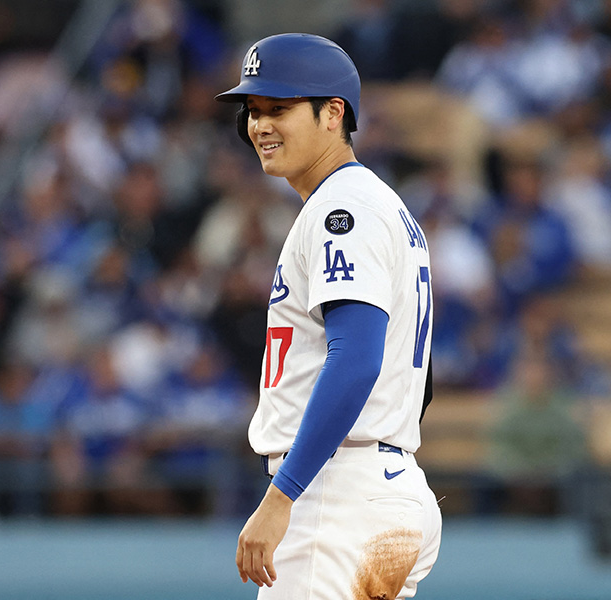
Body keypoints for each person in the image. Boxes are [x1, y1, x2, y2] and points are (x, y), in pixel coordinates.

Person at [215, 33, 441, 599]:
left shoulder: (344, 207)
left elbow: (357, 359)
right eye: (254, 111)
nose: (260, 125)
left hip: (337, 493)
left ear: (333, 113)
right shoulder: (374, 203)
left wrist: (283, 495)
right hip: (377, 481)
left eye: (279, 109)